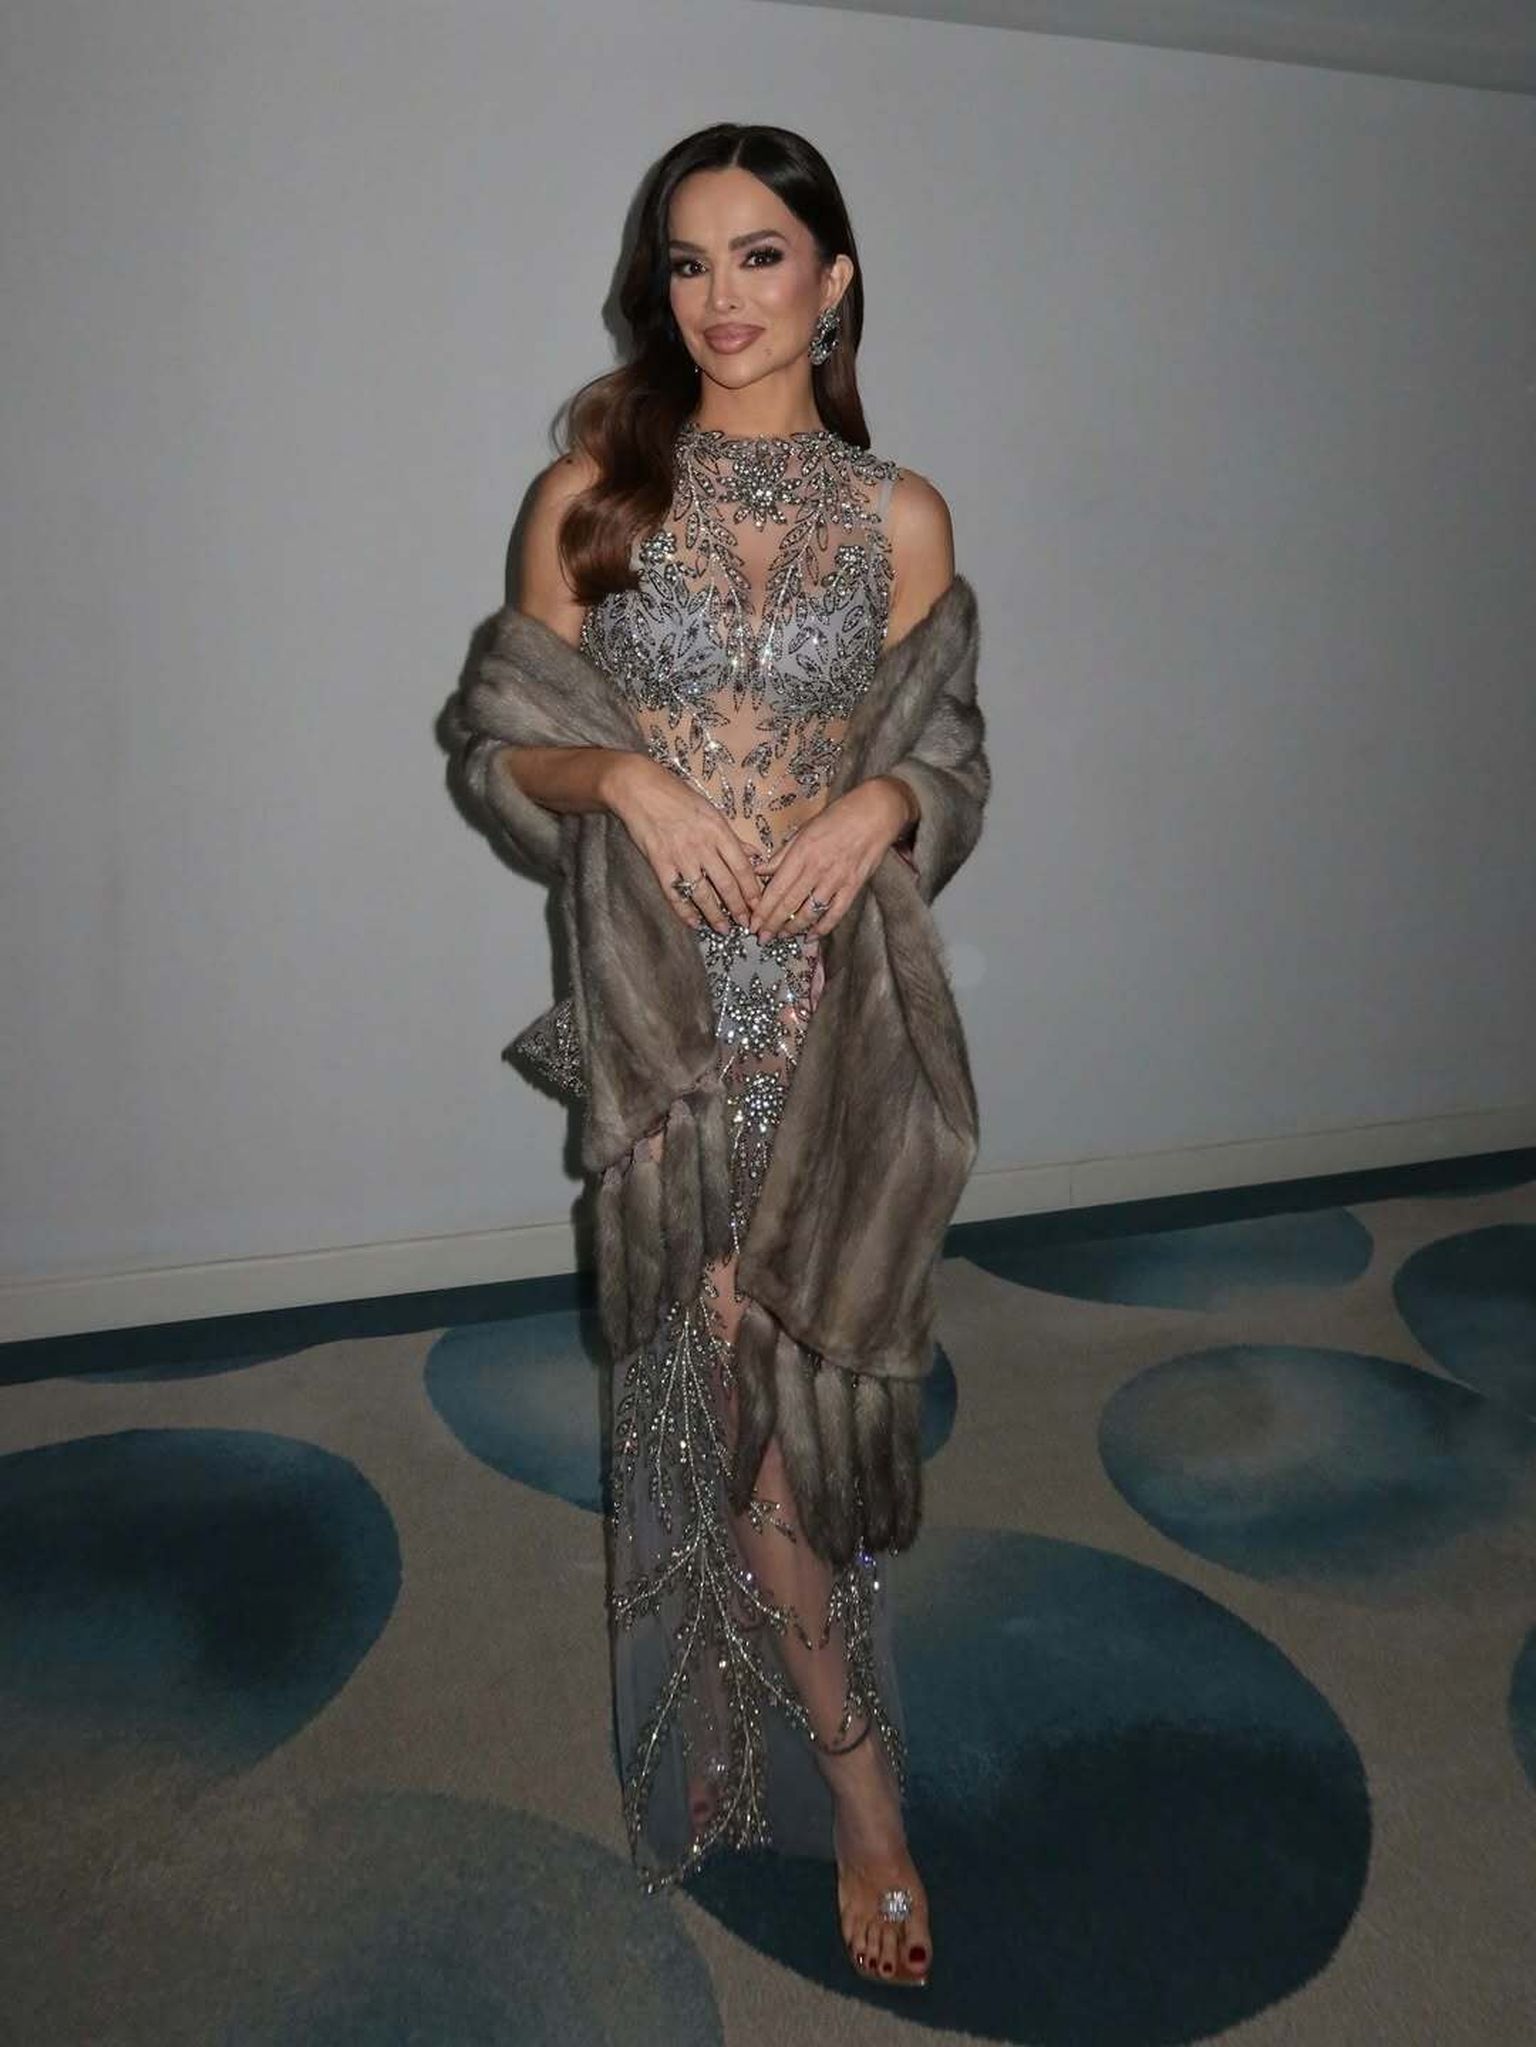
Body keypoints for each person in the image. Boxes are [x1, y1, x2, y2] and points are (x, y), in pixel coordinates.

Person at [447, 122, 987, 1992]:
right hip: (673, 1033)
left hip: (836, 1034)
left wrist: (891, 803)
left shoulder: (903, 516)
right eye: (687, 261)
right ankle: (862, 1798)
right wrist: (621, 773)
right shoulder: (594, 489)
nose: (721, 297)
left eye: (762, 255)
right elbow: (503, 745)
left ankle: (816, 1725)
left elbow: (949, 752)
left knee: (800, 1414)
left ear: (835, 280)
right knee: (726, 1419)